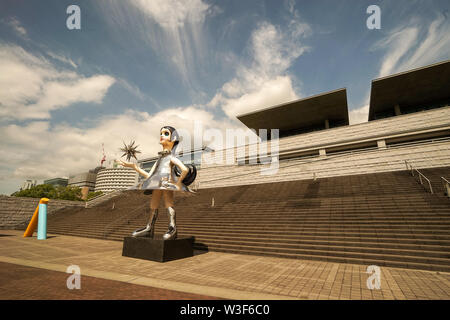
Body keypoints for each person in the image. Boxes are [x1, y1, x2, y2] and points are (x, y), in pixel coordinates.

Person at [116, 126, 196, 240]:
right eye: (161, 133)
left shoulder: (171, 157)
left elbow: (185, 169)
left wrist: (178, 183)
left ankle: (172, 227)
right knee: (153, 205)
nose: (162, 135)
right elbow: (150, 176)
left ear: (173, 139)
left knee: (168, 203)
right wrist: (134, 166)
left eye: (166, 133)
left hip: (167, 182)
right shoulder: (160, 159)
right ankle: (149, 227)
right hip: (156, 183)